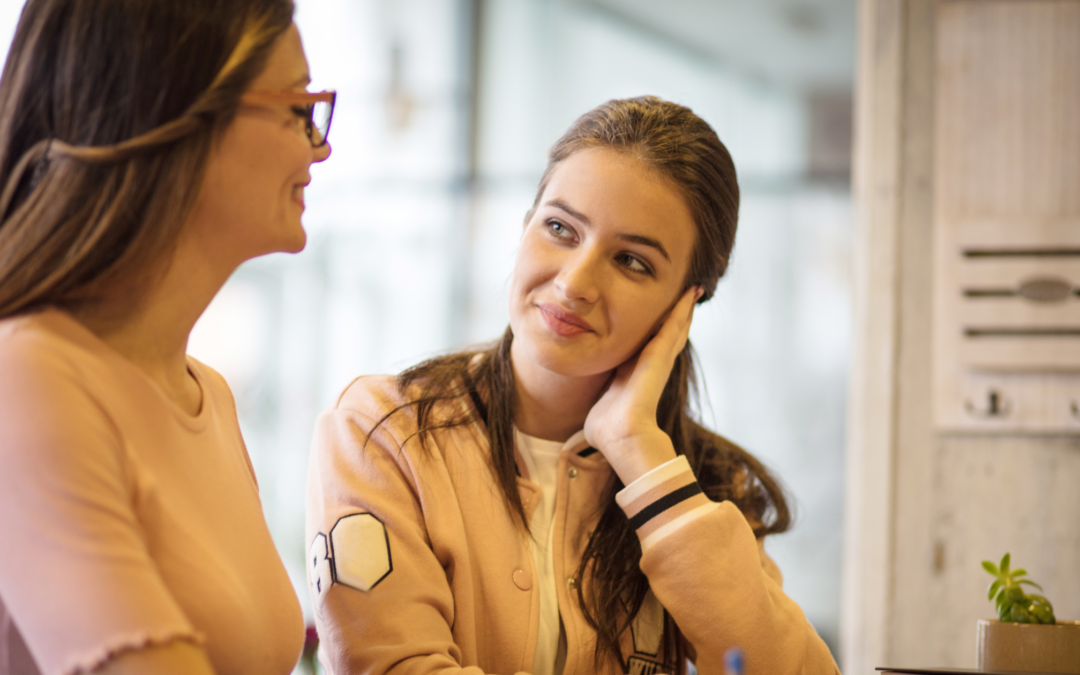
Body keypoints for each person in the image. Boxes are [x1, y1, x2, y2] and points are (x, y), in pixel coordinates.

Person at [305, 96, 839, 675]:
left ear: (685, 306)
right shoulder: (384, 432)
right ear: (525, 224)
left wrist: (638, 451)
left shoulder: (699, 485)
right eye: (560, 228)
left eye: (631, 261)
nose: (574, 282)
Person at [0, 0, 333, 673]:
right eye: (298, 108)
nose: (318, 145)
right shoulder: (29, 377)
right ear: (178, 115)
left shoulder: (210, 394)